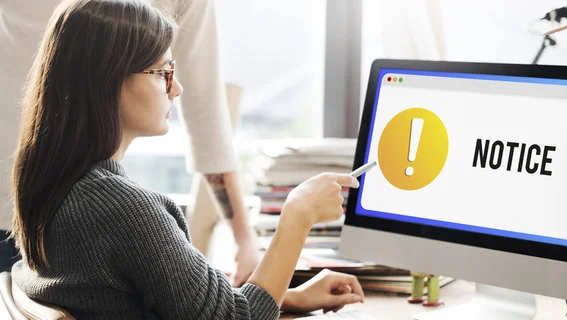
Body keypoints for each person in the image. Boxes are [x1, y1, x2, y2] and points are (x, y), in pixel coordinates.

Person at [8, 0, 365, 319]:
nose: (176, 88)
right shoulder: (124, 211)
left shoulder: (54, 187)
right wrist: (298, 215)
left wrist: (287, 297)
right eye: (162, 73)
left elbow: (176, 301)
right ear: (108, 80)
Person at [0, 0, 260, 286]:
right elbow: (206, 114)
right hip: (36, 214)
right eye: (162, 73)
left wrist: (243, 240)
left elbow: (206, 116)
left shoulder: (120, 206)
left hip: (35, 202)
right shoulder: (132, 214)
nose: (175, 88)